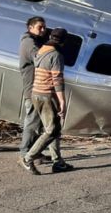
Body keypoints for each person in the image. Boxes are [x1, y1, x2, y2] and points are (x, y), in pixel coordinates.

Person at [23, 27, 75, 174]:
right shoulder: (56, 55)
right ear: (63, 42)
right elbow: (57, 81)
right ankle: (28, 158)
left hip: (36, 93)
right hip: (47, 95)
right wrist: (62, 102)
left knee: (54, 129)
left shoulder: (41, 50)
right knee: (51, 130)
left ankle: (58, 163)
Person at [18, 16, 47, 168]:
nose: (43, 30)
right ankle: (24, 153)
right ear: (30, 28)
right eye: (40, 27)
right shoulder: (29, 42)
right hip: (33, 90)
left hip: (38, 89)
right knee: (32, 122)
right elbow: (40, 59)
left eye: (44, 27)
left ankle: (36, 152)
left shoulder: (34, 41)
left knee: (39, 124)